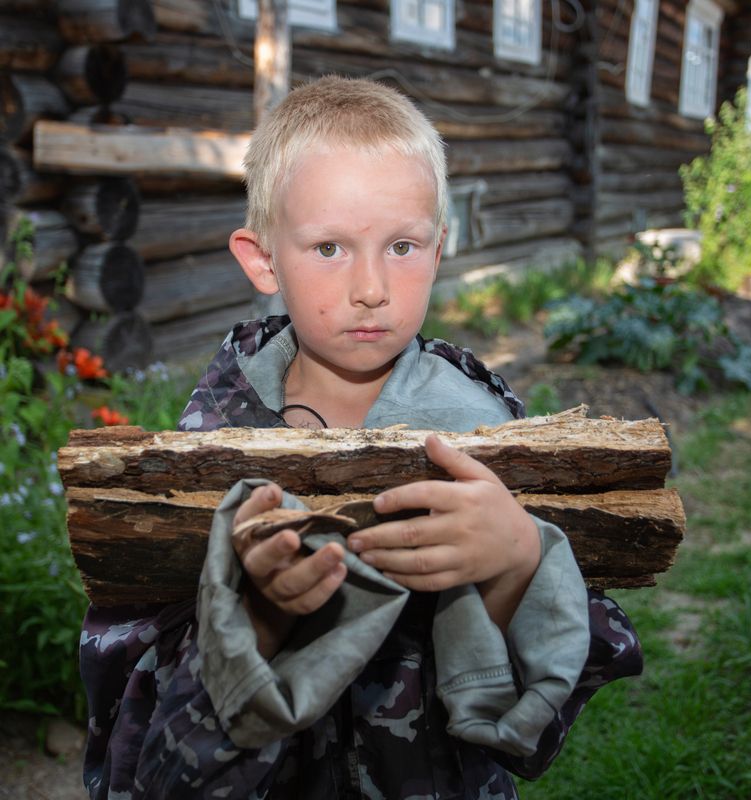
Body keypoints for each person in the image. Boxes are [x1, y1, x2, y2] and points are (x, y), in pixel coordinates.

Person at [80, 76, 642, 799]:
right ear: (262, 259)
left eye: (402, 245)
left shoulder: (482, 428)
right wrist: (253, 617)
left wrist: (518, 562)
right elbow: (147, 742)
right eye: (329, 248)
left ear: (440, 248)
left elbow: (536, 719)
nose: (371, 287)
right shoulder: (212, 440)